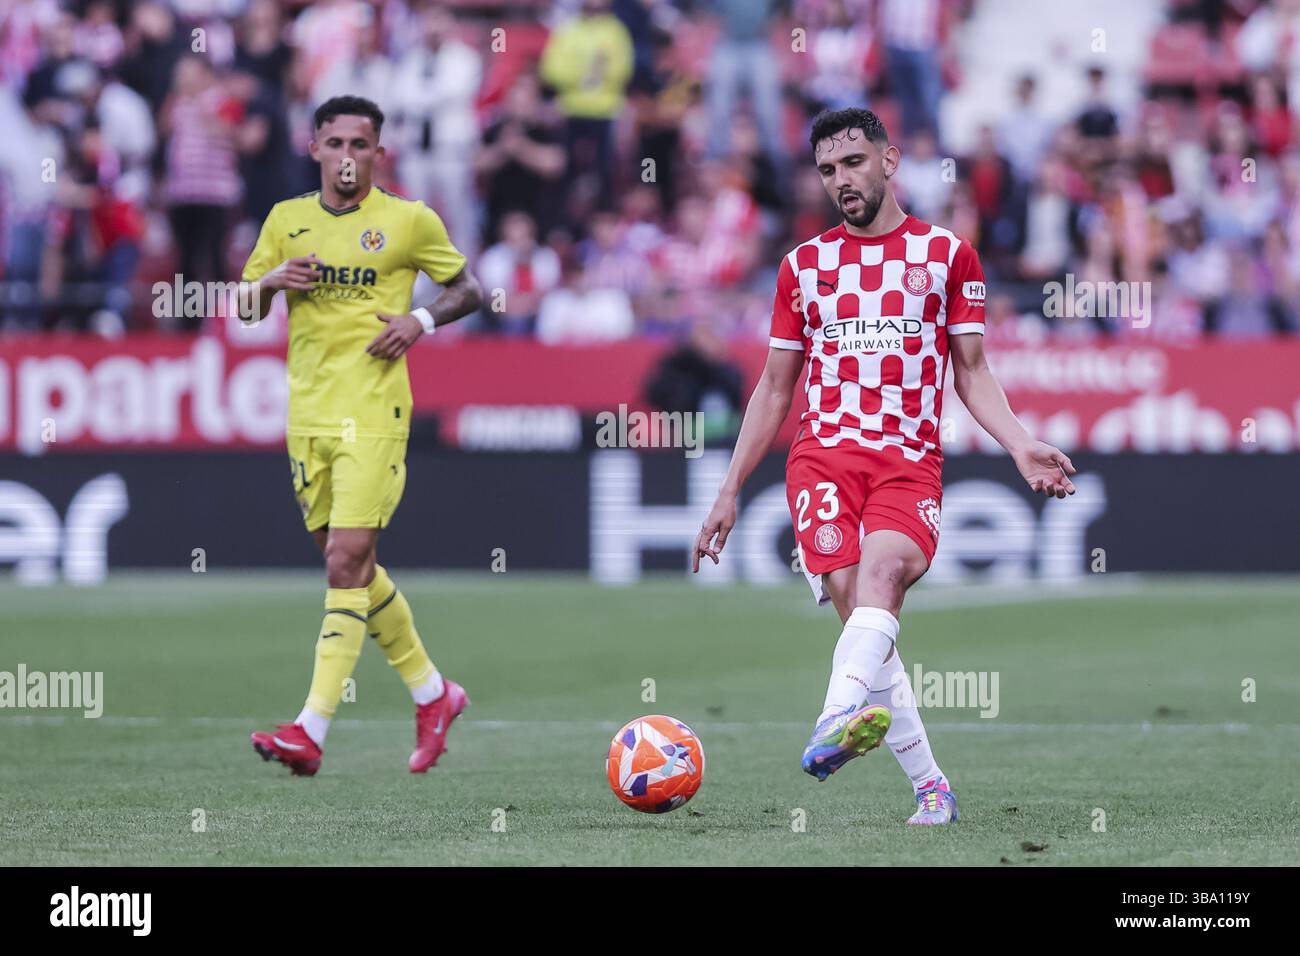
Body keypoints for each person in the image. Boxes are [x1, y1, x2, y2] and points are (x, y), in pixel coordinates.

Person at [692, 108, 1077, 824]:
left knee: (882, 580)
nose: (842, 180)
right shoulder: (802, 267)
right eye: (829, 170)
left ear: (890, 160)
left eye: (854, 164)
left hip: (908, 464)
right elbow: (775, 387)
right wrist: (729, 489)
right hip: (822, 463)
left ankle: (832, 719)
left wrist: (1020, 442)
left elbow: (973, 371)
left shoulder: (947, 254)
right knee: (860, 617)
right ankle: (932, 786)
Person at [239, 95, 484, 776]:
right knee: (353, 568)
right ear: (314, 148)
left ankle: (310, 729)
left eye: (361, 145)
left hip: (375, 414)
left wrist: (421, 322)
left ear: (379, 152)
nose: (348, 158)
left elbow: (469, 288)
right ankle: (435, 695)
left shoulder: (408, 221)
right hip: (307, 418)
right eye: (336, 144)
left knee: (345, 563)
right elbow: (242, 301)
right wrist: (270, 284)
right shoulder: (286, 222)